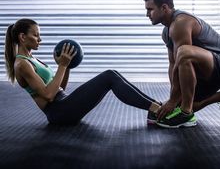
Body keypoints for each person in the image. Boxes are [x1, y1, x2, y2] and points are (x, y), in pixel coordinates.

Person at [4, 18, 161, 126]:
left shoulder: (33, 59)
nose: (40, 39)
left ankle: (157, 106)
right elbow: (48, 95)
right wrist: (62, 66)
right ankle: (157, 111)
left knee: (111, 73)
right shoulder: (21, 64)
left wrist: (67, 68)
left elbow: (59, 89)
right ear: (23, 37)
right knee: (109, 76)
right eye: (36, 35)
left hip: (64, 104)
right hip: (59, 113)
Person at [142, 0, 220, 128]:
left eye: (150, 9)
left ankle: (186, 115)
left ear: (164, 8)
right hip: (205, 72)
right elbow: (173, 65)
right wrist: (173, 100)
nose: (147, 14)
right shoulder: (166, 32)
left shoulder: (181, 22)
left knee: (184, 52)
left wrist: (173, 100)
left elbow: (183, 57)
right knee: (185, 103)